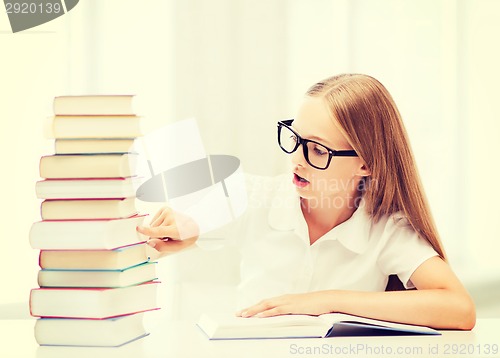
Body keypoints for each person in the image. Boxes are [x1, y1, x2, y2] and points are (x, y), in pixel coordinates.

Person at [137, 73, 476, 330]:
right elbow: (198, 219)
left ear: (366, 163)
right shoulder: (256, 195)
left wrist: (323, 303)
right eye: (295, 138)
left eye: (317, 149)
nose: (296, 160)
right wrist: (183, 227)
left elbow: (459, 308)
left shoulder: (385, 229)